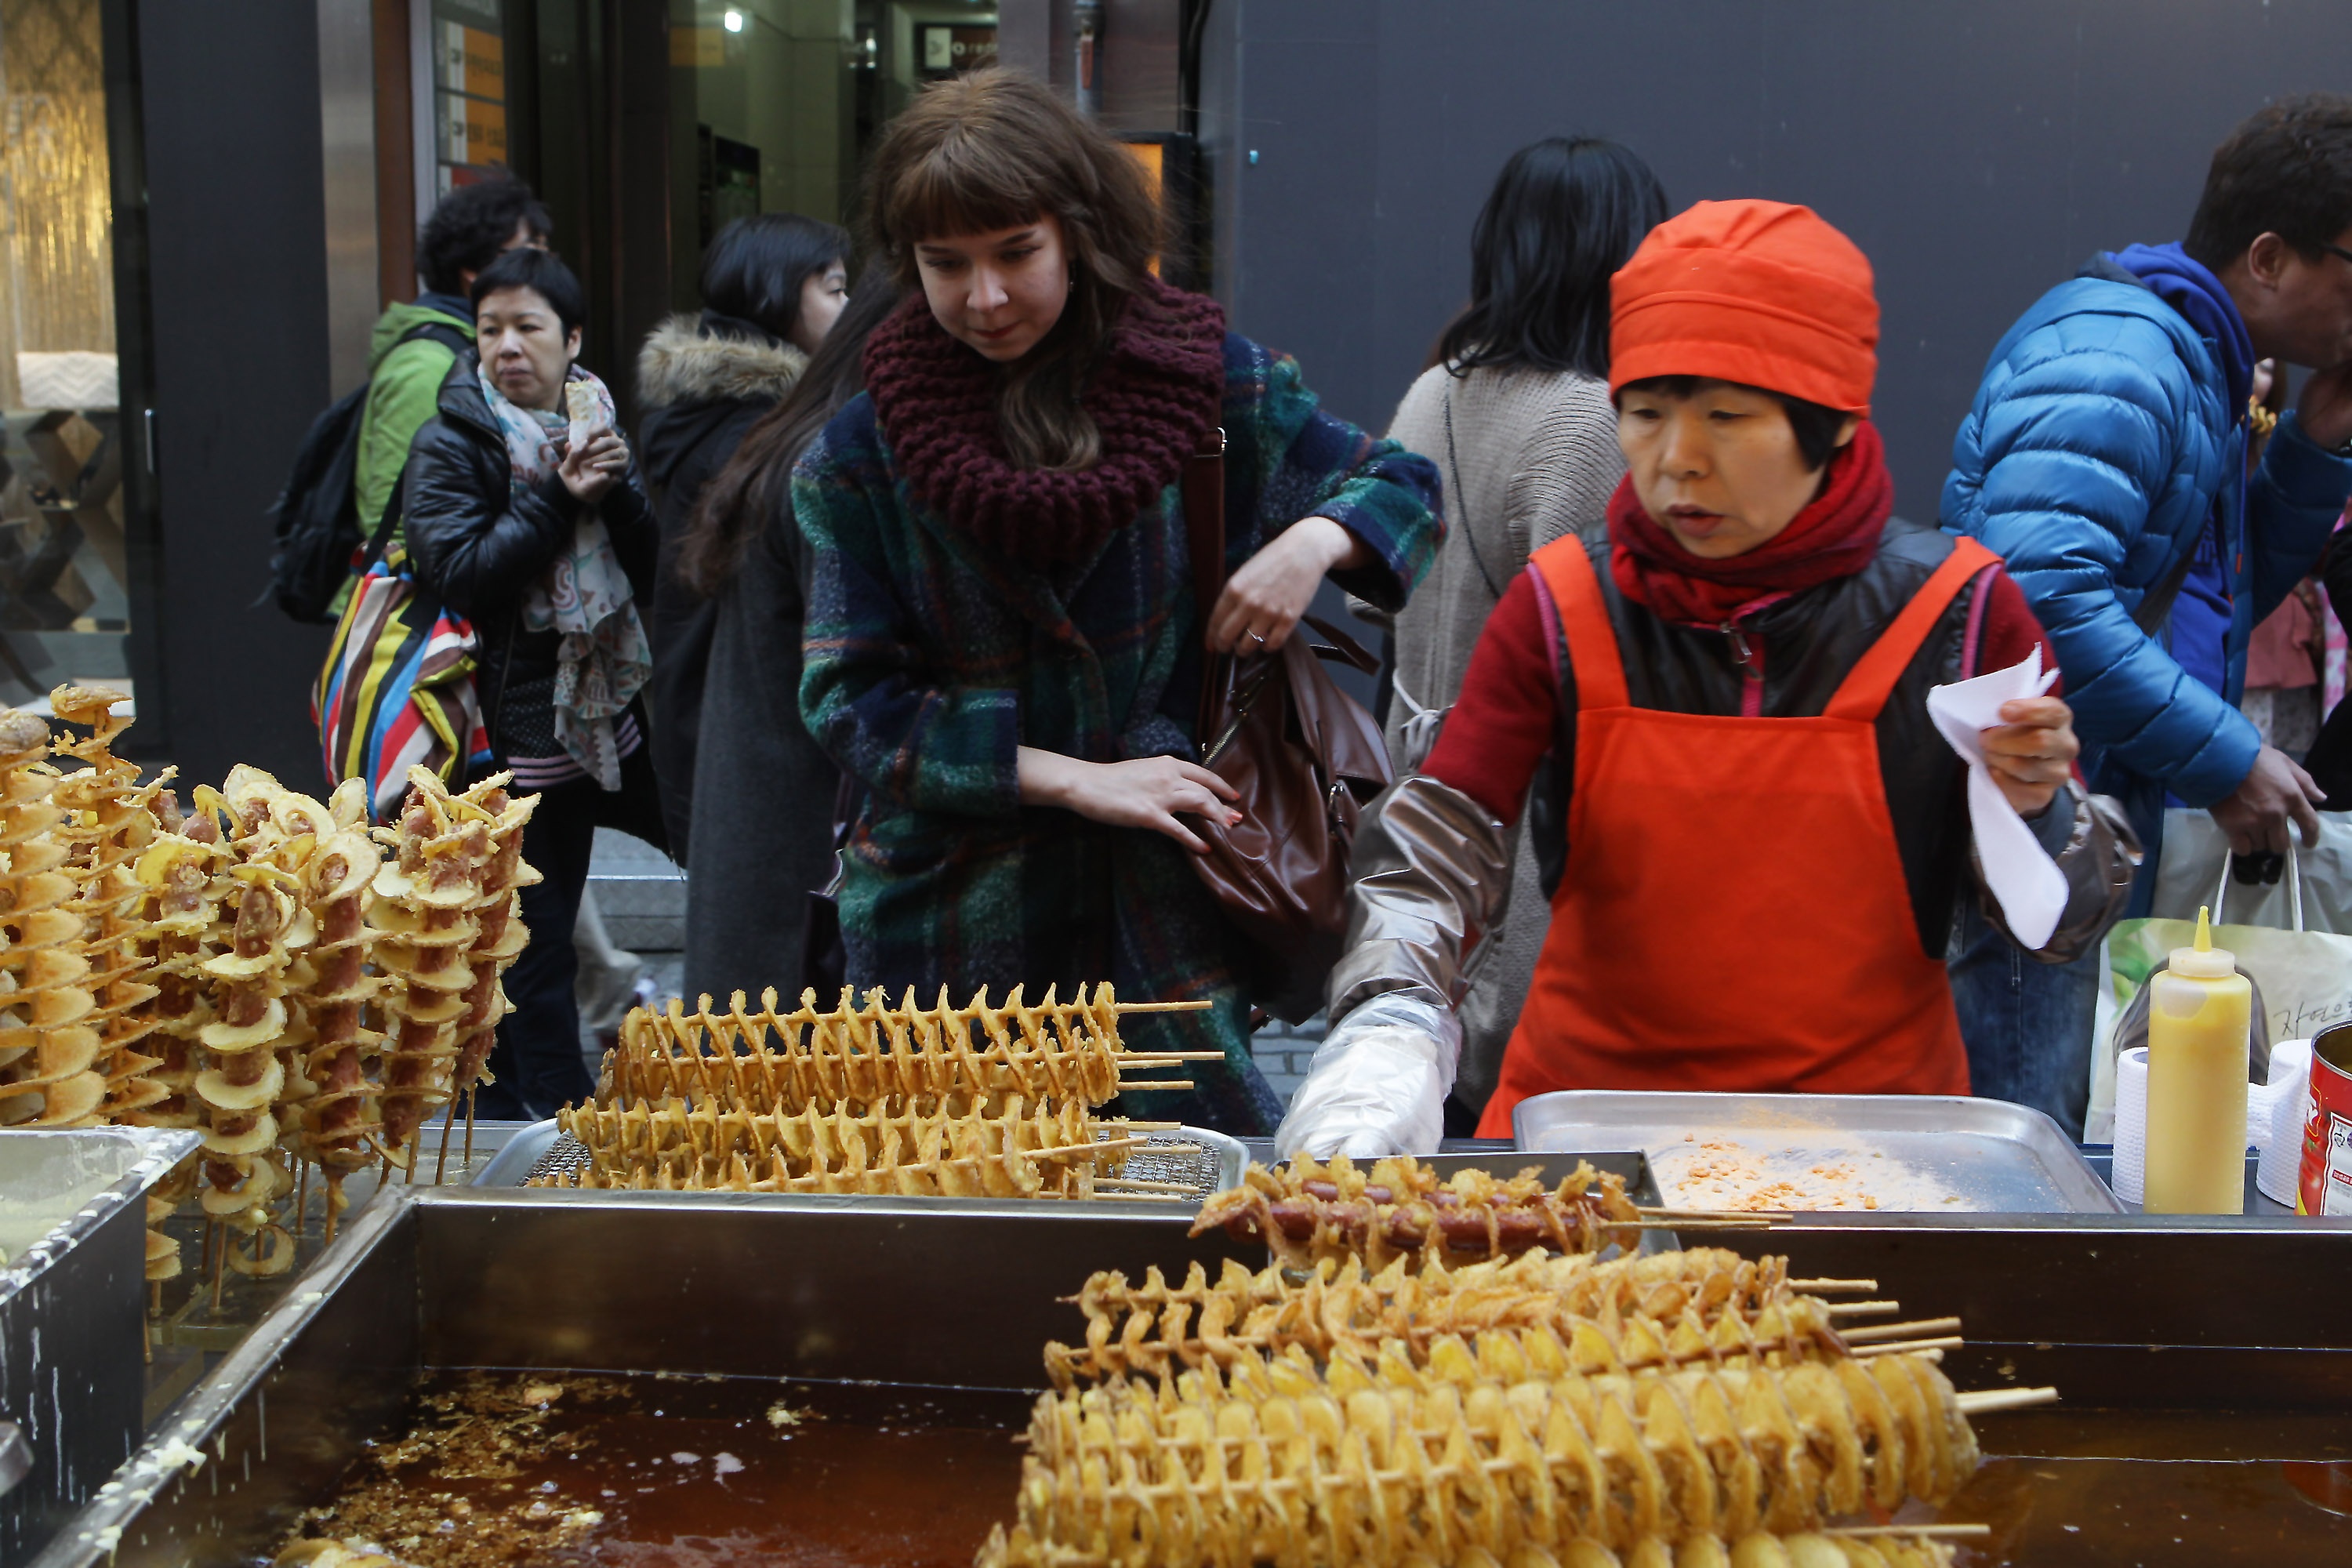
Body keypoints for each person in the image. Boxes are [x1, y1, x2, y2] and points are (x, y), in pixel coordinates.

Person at [1276, 201, 2139, 1157]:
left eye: (1726, 418)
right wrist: (1388, 1021)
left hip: (1873, 1147)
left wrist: (2038, 809)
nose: (1678, 461)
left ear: (1834, 426)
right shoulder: (1562, 604)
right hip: (1590, 1139)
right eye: (1646, 414)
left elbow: (2063, 925)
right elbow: (1438, 841)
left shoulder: (1957, 615)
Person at [796, 71, 1442, 1135]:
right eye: (946, 263)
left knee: (1190, 1211)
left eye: (1016, 252)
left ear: (1077, 230)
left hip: (1159, 928)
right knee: (961, 1211)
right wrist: (1080, 781)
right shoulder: (857, 453)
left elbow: (1404, 485)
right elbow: (852, 702)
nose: (985, 297)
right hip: (947, 932)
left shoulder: (1206, 385)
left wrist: (1310, 543)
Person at [1943, 95, 2352, 1133]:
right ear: (2270, 258)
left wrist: (2314, 447)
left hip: (2080, 814)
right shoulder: (2125, 358)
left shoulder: (2186, 355)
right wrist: (2226, 756)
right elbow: (2038, 596)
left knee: (2070, 1128)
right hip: (2040, 819)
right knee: (2031, 1135)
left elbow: (2205, 594)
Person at [1377, 136, 1666, 1132]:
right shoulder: (1590, 421)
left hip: (1422, 799)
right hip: (1523, 810)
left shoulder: (1433, 389)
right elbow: (1591, 646)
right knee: (1528, 1112)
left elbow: (1380, 596)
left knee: (1439, 1074)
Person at [403, 246, 665, 1120]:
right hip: (504, 731)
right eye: (490, 330)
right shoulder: (453, 439)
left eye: (528, 327)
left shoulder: (601, 423)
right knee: (533, 940)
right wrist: (558, 496)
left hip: (606, 711)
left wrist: (613, 491)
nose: (507, 347)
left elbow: (658, 570)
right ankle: (548, 1123)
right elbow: (461, 574)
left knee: (563, 916)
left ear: (572, 338)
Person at [677, 264, 902, 1006]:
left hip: (759, 846)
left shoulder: (789, 440)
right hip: (803, 869)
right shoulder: (836, 463)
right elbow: (857, 697)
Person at [637, 213, 851, 858]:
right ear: (776, 292)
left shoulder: (712, 417)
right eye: (835, 289)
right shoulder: (764, 439)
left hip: (705, 724)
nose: (849, 307)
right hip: (748, 742)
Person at [348, 176, 551, 602]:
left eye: (546, 249)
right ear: (474, 270)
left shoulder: (485, 352)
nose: (544, 266)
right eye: (529, 250)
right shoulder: (427, 364)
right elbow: (396, 523)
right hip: (434, 619)